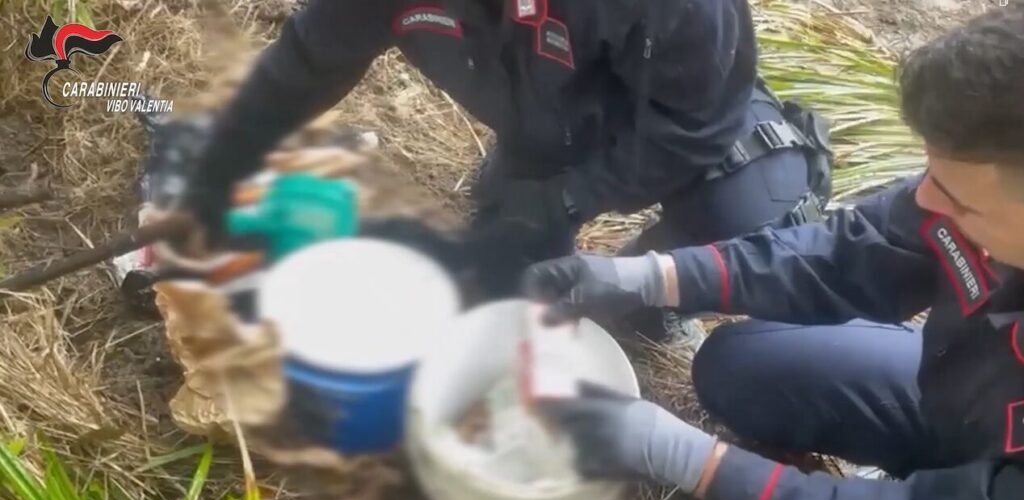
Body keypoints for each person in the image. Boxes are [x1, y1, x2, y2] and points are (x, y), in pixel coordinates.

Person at [521, 5, 1024, 500]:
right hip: (966, 404)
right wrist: (650, 277)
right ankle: (932, 472)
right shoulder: (970, 193)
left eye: (960, 200)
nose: (926, 201)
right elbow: (848, 253)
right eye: (928, 174)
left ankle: (933, 486)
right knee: (742, 365)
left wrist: (690, 460)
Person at [178, 0, 831, 290]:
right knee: (502, 271)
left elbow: (698, 120)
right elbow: (307, 63)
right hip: (549, 118)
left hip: (686, 108)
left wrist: (574, 197)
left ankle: (658, 290)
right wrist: (224, 165)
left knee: (746, 217)